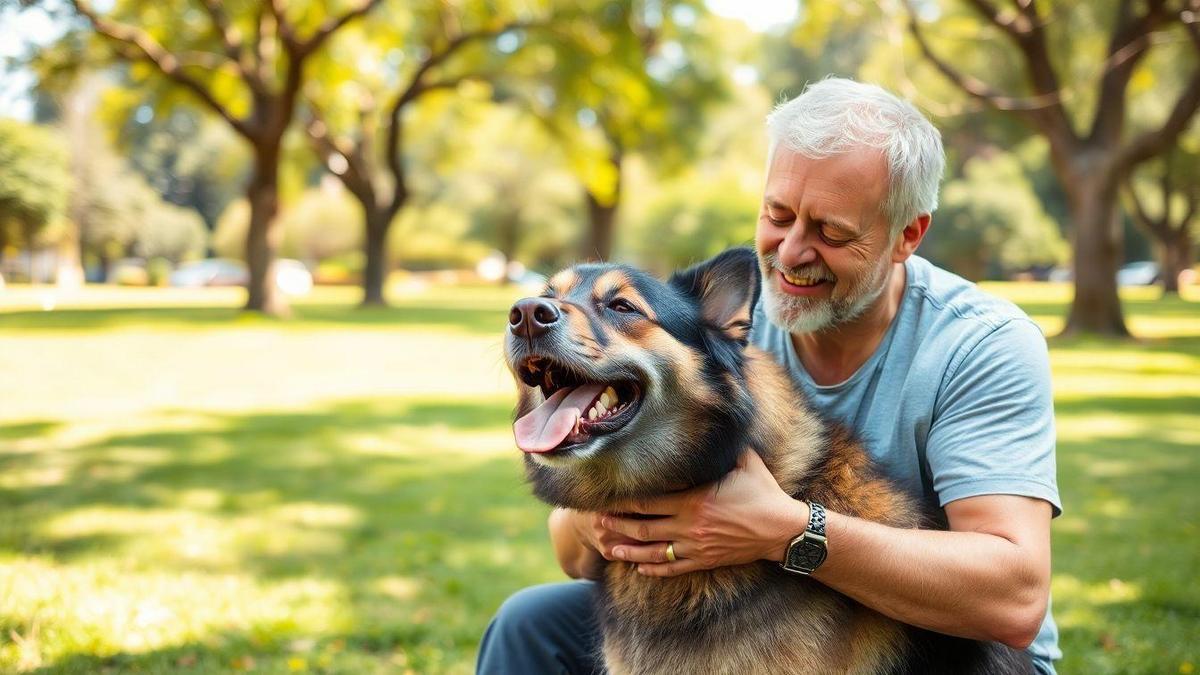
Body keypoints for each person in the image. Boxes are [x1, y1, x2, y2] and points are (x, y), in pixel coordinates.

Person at [477, 77, 1061, 674]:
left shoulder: (980, 345)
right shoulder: (720, 331)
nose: (790, 254)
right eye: (778, 215)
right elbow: (571, 550)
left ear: (906, 234)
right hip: (727, 606)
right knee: (529, 626)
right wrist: (615, 516)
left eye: (832, 231)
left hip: (945, 651)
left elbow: (1012, 602)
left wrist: (782, 530)